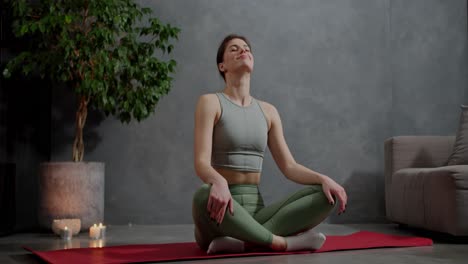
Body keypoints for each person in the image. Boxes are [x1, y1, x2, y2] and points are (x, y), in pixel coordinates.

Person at [192, 34, 347, 254]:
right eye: (234, 49)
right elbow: (201, 162)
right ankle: (280, 242)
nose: (243, 51)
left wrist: (323, 179)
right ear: (222, 65)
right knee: (202, 195)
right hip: (221, 211)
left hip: (256, 213)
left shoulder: (268, 111)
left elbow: (289, 167)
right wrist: (218, 182)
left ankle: (245, 242)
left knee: (327, 195)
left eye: (246, 48)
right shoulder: (210, 102)